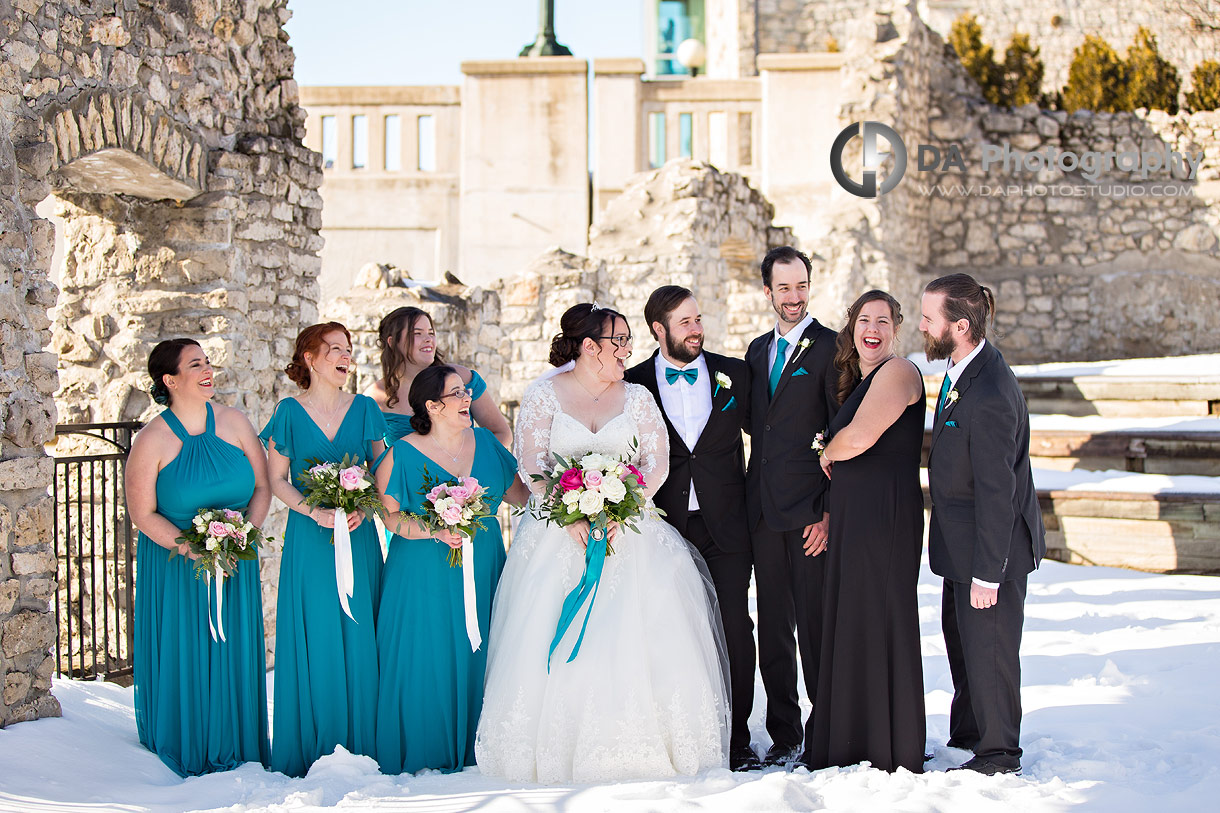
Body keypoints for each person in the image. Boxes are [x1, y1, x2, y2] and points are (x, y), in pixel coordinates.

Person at [475, 303, 730, 783]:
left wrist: (624, 508)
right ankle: (556, 748)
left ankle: (640, 744)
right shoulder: (543, 394)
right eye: (619, 342)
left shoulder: (636, 397)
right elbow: (531, 462)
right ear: (589, 347)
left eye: (630, 341)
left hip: (629, 532)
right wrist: (566, 513)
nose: (628, 351)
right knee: (554, 635)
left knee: (635, 635)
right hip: (556, 533)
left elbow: (657, 462)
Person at [624, 286, 760, 772]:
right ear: (658, 329)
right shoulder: (634, 383)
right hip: (666, 528)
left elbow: (765, 438)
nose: (697, 329)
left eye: (698, 319)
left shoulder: (735, 373)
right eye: (685, 322)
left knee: (734, 630)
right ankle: (682, 735)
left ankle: (737, 737)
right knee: (672, 631)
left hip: (727, 527)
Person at [373, 365, 529, 775]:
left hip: (484, 563)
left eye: (467, 393)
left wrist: (579, 489)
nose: (467, 400)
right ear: (432, 406)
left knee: (482, 649)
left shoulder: (485, 442)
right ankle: (427, 748)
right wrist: (434, 530)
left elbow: (521, 497)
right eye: (458, 394)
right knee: (427, 652)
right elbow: (389, 518)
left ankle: (484, 743)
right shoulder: (400, 454)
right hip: (421, 572)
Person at [920, 274, 1046, 776]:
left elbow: (999, 492)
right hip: (959, 543)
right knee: (964, 644)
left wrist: (988, 573)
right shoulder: (960, 366)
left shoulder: (991, 389)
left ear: (962, 326)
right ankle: (969, 734)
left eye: (930, 319)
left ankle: (998, 753)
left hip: (990, 549)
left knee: (991, 652)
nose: (923, 326)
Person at [127, 338, 271, 776]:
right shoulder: (151, 439)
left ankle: (236, 739)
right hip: (177, 566)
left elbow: (263, 488)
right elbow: (142, 513)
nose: (208, 370)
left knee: (232, 647)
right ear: (170, 380)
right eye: (196, 365)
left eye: (208, 362)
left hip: (234, 561)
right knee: (186, 648)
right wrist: (192, 547)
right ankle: (185, 737)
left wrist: (242, 535)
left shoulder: (235, 422)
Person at [805, 290, 927, 773]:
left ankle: (886, 743)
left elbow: (859, 439)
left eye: (882, 320)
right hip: (857, 517)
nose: (872, 328)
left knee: (880, 619)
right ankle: (852, 739)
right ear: (852, 327)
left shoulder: (898, 372)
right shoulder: (862, 377)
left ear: (896, 329)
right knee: (855, 619)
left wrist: (826, 451)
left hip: (884, 518)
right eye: (863, 319)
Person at [260, 322, 389, 777]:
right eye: (334, 348)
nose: (345, 356)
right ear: (310, 358)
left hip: (358, 537)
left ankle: (366, 742)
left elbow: (382, 471)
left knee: (360, 628)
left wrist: (366, 506)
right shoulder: (289, 413)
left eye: (349, 349)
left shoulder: (366, 408)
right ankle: (312, 741)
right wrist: (312, 512)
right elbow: (276, 479)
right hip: (310, 542)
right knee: (315, 629)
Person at [743, 246, 839, 766]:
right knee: (773, 627)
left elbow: (841, 432)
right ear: (768, 292)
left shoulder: (831, 348)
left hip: (809, 516)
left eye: (801, 285)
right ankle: (785, 733)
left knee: (815, 625)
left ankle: (825, 727)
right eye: (784, 288)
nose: (794, 296)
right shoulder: (757, 352)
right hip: (762, 514)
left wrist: (827, 511)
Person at [366, 306, 511, 445]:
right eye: (417, 333)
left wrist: (470, 463)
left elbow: (502, 433)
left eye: (431, 333)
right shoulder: (375, 398)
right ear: (392, 342)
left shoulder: (462, 378)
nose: (428, 339)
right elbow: (373, 459)